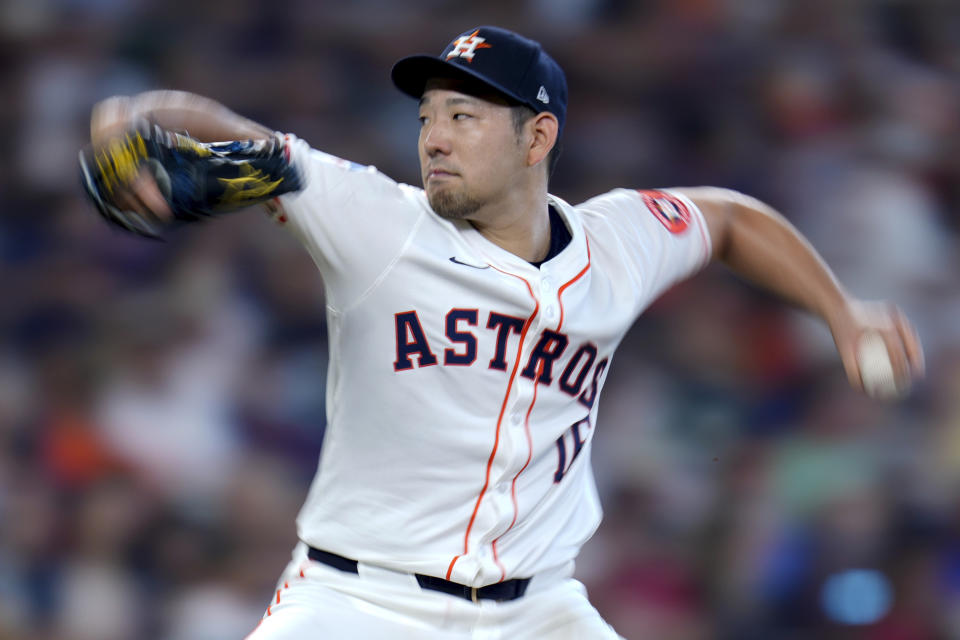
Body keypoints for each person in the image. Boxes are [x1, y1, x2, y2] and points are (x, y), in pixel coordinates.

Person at [87, 26, 924, 639]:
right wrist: (131, 115)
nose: (434, 139)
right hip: (358, 604)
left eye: (465, 115)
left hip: (539, 611)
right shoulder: (377, 220)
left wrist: (840, 311)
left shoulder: (618, 243)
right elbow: (229, 129)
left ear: (539, 135)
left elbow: (730, 220)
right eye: (427, 118)